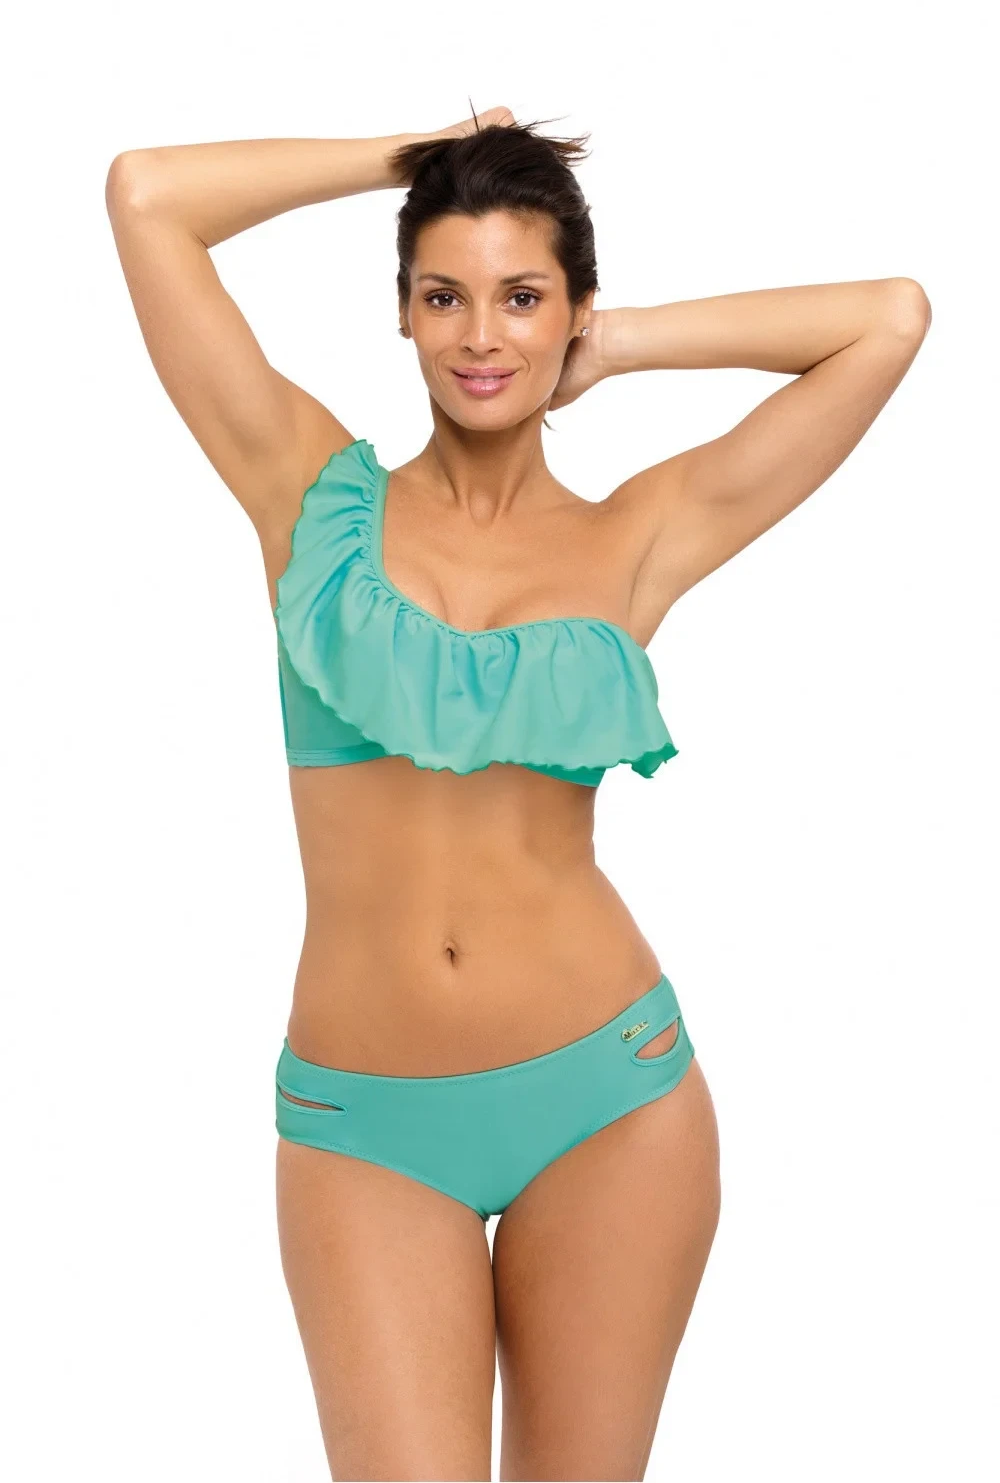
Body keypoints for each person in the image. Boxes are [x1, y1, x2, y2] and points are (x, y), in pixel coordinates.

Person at [105, 104, 930, 1481]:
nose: (480, 336)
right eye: (444, 296)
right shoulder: (308, 493)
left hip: (610, 1105)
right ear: (403, 313)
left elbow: (890, 321)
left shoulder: (634, 538)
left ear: (569, 310)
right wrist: (413, 154)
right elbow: (146, 198)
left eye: (521, 298)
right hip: (366, 1127)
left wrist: (617, 345)